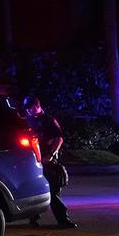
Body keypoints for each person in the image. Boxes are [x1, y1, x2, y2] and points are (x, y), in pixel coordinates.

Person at [23, 95, 77, 228]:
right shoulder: (28, 120)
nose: (28, 111)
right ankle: (33, 219)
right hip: (33, 160)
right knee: (34, 189)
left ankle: (63, 220)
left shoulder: (48, 120)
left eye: (30, 108)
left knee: (53, 191)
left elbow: (59, 139)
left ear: (37, 106)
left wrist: (51, 155)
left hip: (48, 160)